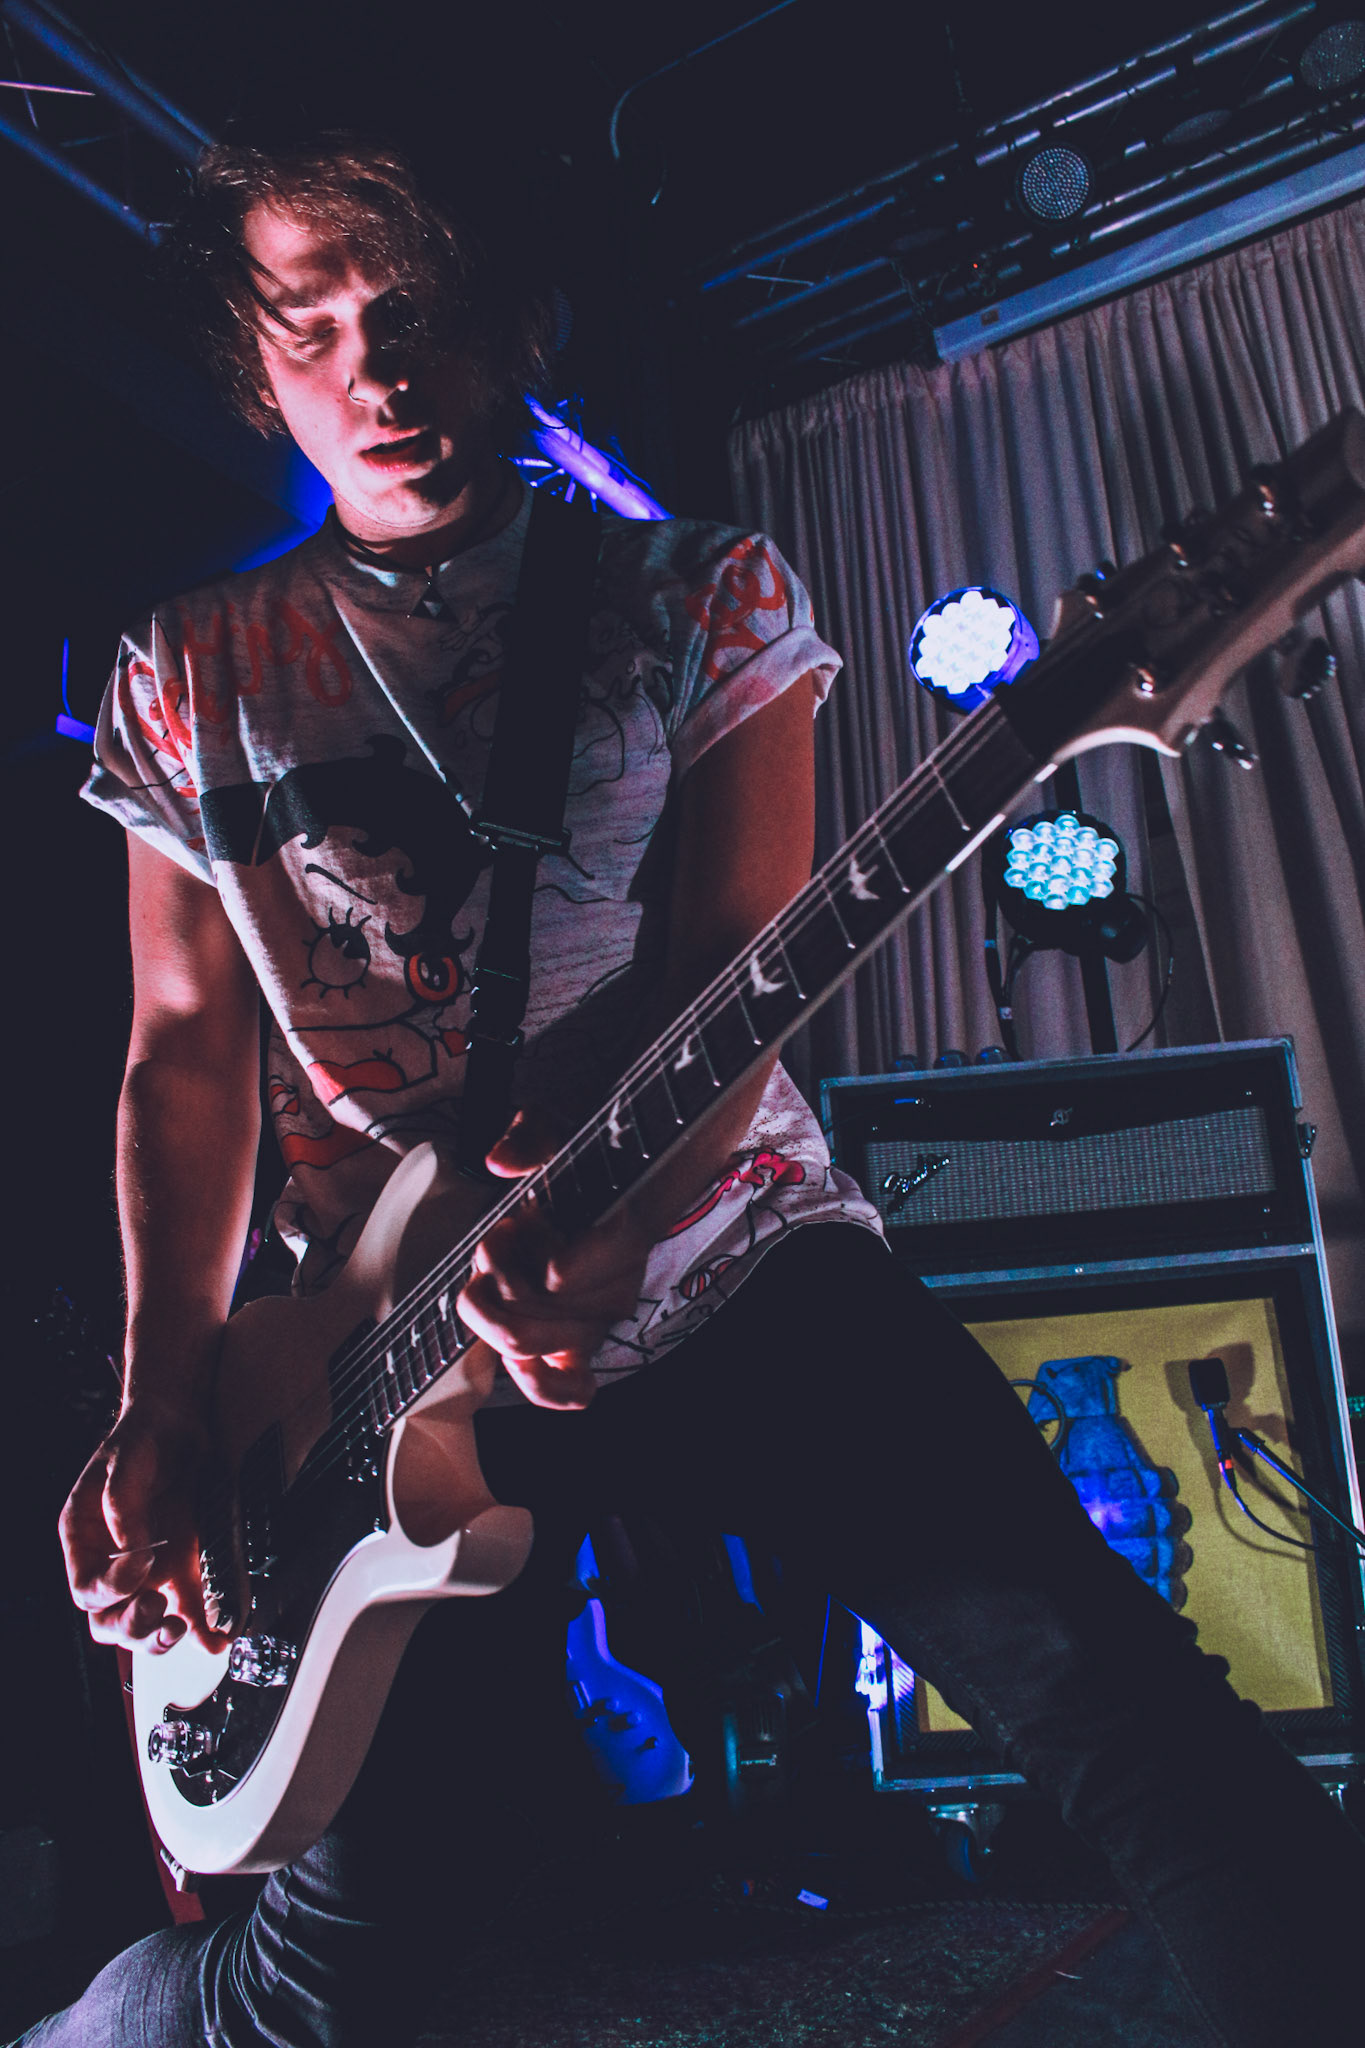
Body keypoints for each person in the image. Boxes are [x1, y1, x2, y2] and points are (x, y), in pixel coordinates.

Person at [17, 137, 1365, 2048]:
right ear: (253, 367)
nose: (373, 372)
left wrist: (620, 1212)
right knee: (345, 1966)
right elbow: (181, 1052)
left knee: (1129, 1722)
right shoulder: (186, 669)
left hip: (733, 1254)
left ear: (505, 324)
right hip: (377, 1364)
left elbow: (733, 963)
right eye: (307, 328)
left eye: (412, 312)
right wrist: (163, 1398)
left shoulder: (695, 588)